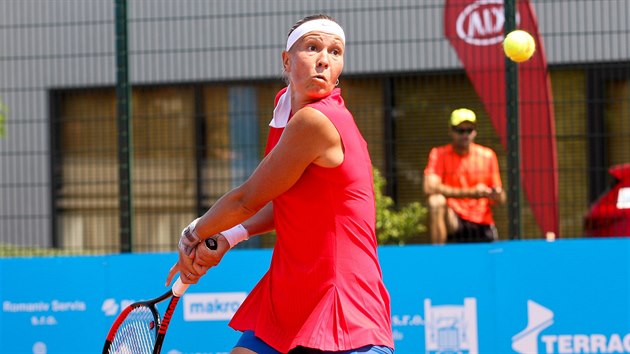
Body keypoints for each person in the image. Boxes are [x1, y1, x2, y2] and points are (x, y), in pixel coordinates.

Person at [165, 14, 395, 354]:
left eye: (335, 52)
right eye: (313, 47)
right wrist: (229, 236)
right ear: (287, 60)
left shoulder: (316, 121)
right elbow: (284, 198)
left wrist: (192, 237)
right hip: (289, 295)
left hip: (340, 300)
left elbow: (247, 199)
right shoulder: (284, 109)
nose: (324, 60)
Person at [423, 108, 506, 244]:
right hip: (454, 221)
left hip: (481, 221)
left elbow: (501, 198)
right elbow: (429, 188)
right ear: (451, 131)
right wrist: (471, 193)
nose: (465, 135)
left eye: (469, 130)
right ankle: (438, 257)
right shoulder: (438, 154)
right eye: (460, 131)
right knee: (435, 201)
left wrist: (495, 194)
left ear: (475, 131)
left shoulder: (487, 155)